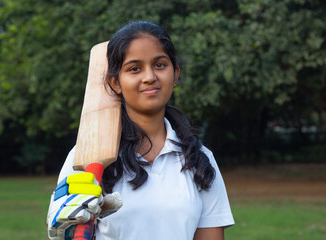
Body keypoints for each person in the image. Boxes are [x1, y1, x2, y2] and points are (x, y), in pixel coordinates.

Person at [47, 21, 235, 240]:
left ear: (175, 74)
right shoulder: (85, 157)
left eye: (160, 65)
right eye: (134, 68)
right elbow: (68, 229)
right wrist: (67, 233)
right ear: (115, 83)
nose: (149, 77)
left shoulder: (200, 160)